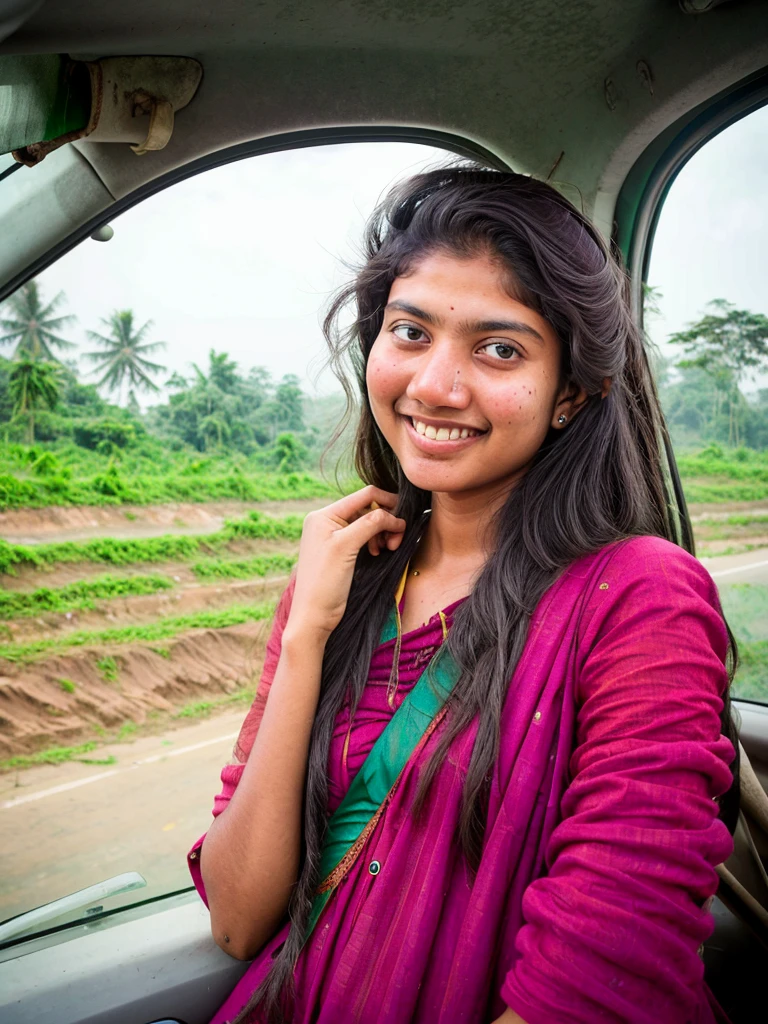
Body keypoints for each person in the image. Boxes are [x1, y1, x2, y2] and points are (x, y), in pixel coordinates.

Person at [187, 166, 739, 1024]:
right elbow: (237, 916)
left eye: (499, 349)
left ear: (573, 392)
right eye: (409, 332)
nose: (436, 385)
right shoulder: (346, 582)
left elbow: (605, 980)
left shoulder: (640, 597)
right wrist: (306, 636)